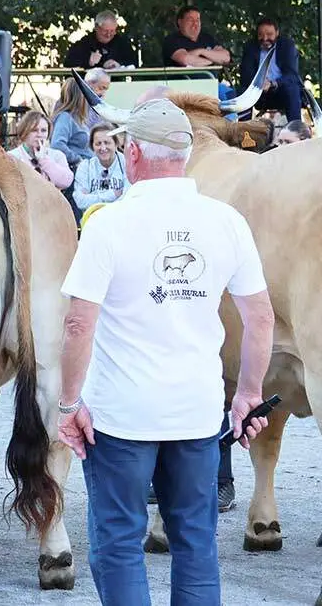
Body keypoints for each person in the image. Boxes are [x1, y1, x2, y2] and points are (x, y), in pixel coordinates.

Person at [57, 97, 273, 605]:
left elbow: (77, 323)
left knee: (118, 544)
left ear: (131, 154)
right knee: (197, 546)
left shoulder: (106, 223)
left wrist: (69, 404)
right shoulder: (226, 222)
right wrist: (247, 395)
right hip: (196, 414)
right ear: (186, 154)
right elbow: (260, 317)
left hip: (121, 418)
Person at [239, 18, 302, 123]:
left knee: (293, 89)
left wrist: (272, 83)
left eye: (269, 34)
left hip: (281, 90)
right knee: (241, 92)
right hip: (258, 92)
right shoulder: (250, 47)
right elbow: (245, 74)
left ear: (277, 33)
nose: (264, 38)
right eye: (260, 34)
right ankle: (243, 132)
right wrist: (258, 83)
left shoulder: (287, 46)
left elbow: (292, 75)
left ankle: (296, 130)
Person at [7, 110, 73, 190]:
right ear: (24, 132)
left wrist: (44, 160)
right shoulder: (11, 156)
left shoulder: (57, 155)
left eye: (43, 130)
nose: (39, 135)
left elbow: (66, 182)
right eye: (34, 130)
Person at [72, 123, 129, 211]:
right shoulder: (85, 166)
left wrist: (91, 196)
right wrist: (113, 194)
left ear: (116, 143)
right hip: (92, 219)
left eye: (107, 143)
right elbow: (80, 201)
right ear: (92, 146)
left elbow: (127, 199)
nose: (103, 148)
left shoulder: (126, 163)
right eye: (98, 144)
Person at [64, 10, 136, 70]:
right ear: (96, 28)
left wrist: (119, 65)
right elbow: (68, 64)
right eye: (105, 31)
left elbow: (133, 64)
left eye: (112, 31)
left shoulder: (122, 44)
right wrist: (88, 61)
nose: (108, 35)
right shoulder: (84, 44)